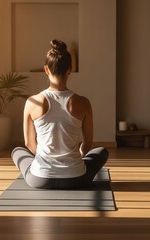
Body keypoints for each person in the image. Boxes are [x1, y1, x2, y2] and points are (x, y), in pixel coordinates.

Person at [11, 39, 108, 189]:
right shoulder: (83, 103)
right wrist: (75, 159)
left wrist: (47, 159)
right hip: (76, 178)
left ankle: (41, 168)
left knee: (17, 151)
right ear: (70, 69)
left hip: (40, 179)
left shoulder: (32, 102)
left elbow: (29, 144)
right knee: (102, 152)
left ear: (46, 69)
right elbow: (87, 143)